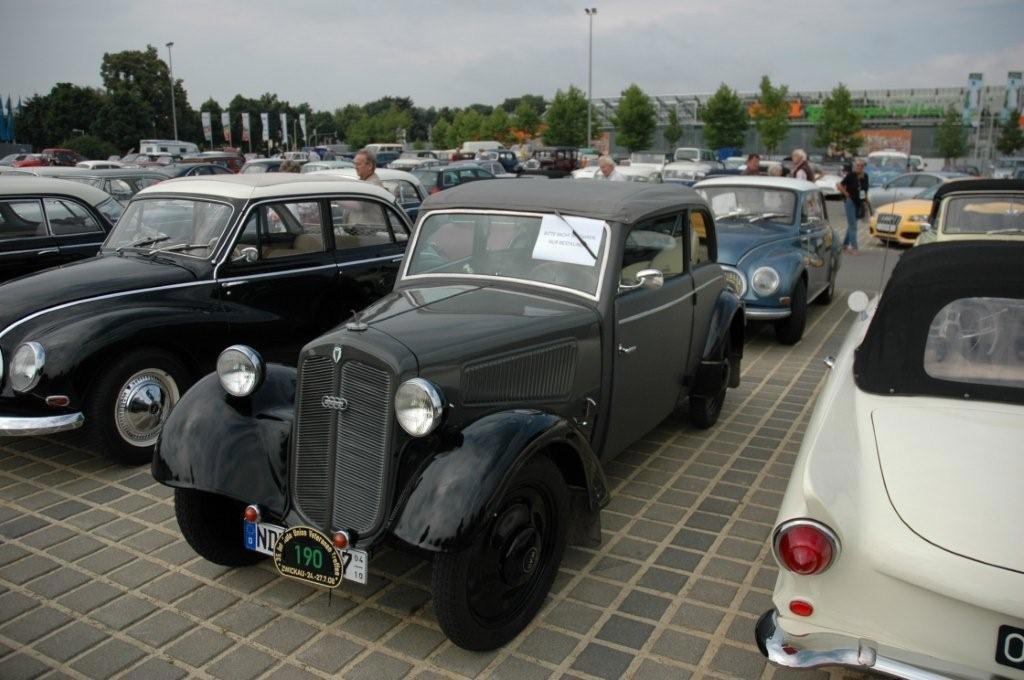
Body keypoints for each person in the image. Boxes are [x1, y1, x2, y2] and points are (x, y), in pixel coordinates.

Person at [837, 158, 870, 254]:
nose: (859, 167)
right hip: (850, 202)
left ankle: (844, 245)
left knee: (852, 224)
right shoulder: (851, 175)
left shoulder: (865, 176)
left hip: (859, 202)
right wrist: (846, 194)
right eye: (858, 165)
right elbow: (839, 185)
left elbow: (865, 190)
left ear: (864, 167)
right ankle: (854, 248)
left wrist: (866, 201)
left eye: (861, 165)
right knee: (853, 226)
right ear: (855, 166)